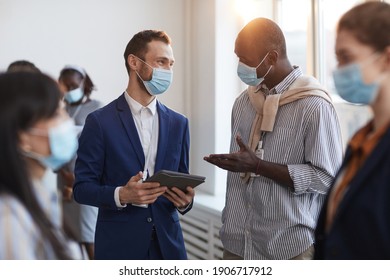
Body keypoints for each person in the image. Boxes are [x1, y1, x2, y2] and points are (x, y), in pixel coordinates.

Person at [204, 18, 343, 260]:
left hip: (287, 250)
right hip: (237, 246)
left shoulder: (314, 106)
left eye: (245, 60)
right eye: (238, 58)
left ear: (271, 58)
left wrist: (258, 166)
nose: (240, 66)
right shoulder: (243, 103)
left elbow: (327, 178)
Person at [73, 29, 195, 260]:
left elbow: (181, 181)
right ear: (134, 63)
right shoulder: (99, 122)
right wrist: (123, 195)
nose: (167, 71)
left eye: (171, 64)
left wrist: (185, 202)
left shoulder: (179, 123)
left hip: (168, 247)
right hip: (119, 247)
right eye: (161, 62)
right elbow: (81, 189)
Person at [315, 2, 390, 260]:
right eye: (337, 59)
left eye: (347, 58)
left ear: (386, 58)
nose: (339, 70)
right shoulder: (361, 141)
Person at [0, 72, 80, 259]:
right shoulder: (9, 221)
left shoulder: (41, 197)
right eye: (55, 114)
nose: (68, 122)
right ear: (22, 137)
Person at [57, 65, 103, 259]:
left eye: (73, 85)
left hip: (86, 178)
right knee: (70, 235)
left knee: (88, 234)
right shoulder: (60, 108)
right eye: (65, 87)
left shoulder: (97, 108)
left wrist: (78, 175)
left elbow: (100, 145)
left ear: (84, 84)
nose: (69, 90)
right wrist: (64, 174)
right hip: (64, 178)